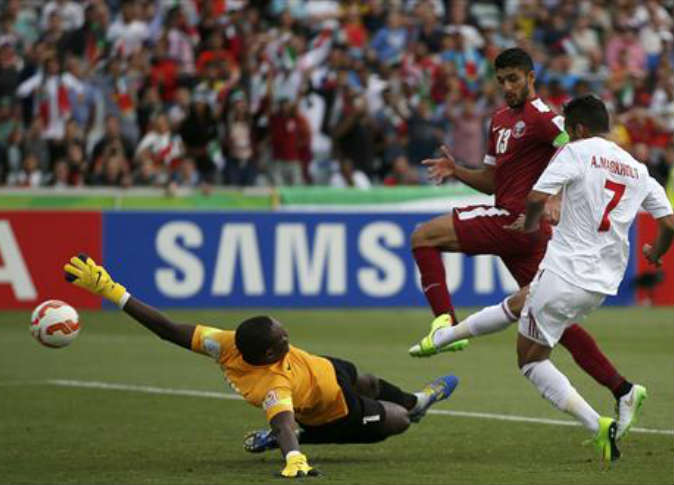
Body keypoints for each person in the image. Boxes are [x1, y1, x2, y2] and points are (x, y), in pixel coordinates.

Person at [408, 48, 644, 438]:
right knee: (553, 321)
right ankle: (623, 389)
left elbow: (580, 152)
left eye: (514, 79)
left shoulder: (546, 118)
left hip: (516, 221)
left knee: (423, 236)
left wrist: (556, 199)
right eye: (501, 80)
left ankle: (444, 324)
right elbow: (492, 181)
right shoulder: (500, 120)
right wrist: (456, 170)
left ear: (531, 78)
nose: (507, 87)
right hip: (523, 232)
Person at [63, 254, 459, 479]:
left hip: (324, 369)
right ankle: (394, 414)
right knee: (398, 421)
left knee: (366, 379)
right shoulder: (272, 385)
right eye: (283, 337)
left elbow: (168, 330)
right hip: (332, 410)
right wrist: (293, 456)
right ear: (270, 355)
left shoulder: (226, 342)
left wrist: (113, 291)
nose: (287, 333)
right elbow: (282, 420)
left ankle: (417, 399)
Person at [469, 95, 672, 461]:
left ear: (578, 128)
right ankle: (623, 392)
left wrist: (529, 227)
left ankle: (599, 424)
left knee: (530, 360)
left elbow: (535, 198)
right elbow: (669, 223)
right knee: (541, 327)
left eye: (567, 128)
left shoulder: (575, 152)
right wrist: (655, 253)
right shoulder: (637, 168)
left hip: (566, 272)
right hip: (602, 283)